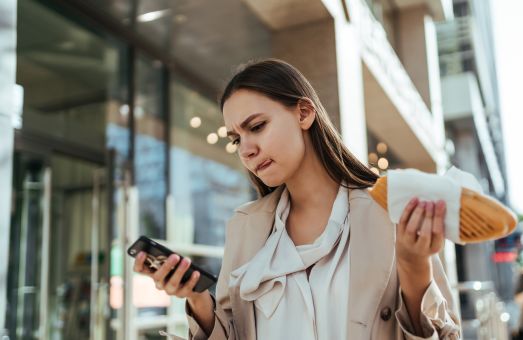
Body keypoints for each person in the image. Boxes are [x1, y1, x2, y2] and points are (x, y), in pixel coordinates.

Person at [133, 59, 461, 339]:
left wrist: (415, 270)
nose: (246, 149)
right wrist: (198, 300)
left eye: (257, 126)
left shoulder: (388, 212)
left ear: (304, 113)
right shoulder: (245, 227)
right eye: (236, 140)